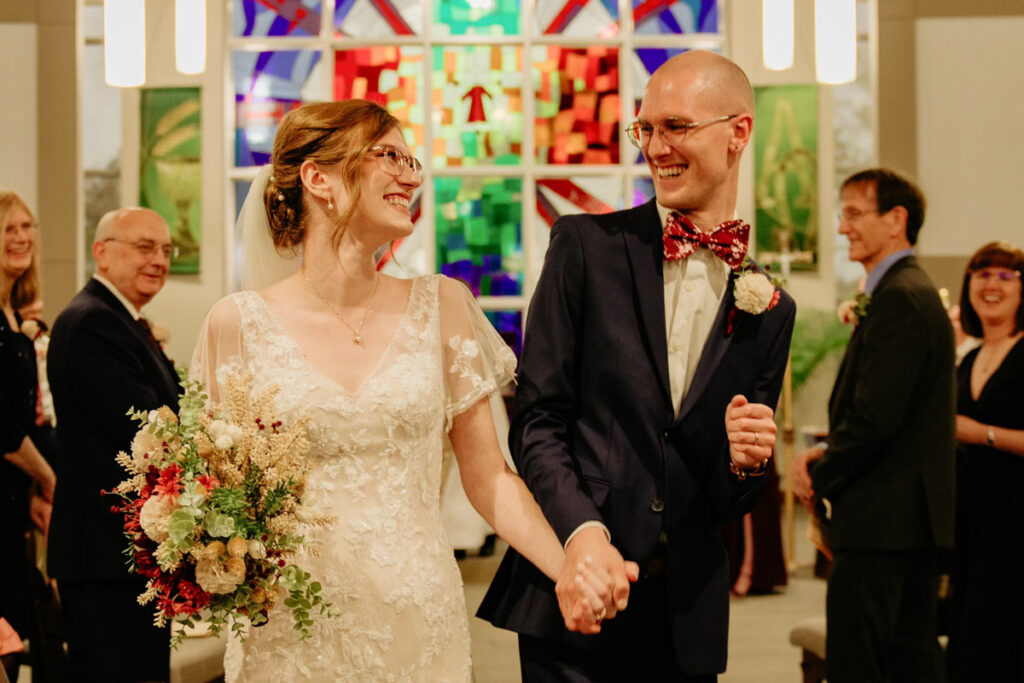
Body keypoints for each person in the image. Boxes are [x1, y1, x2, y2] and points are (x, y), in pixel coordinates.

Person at [190, 99, 616, 682]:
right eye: (389, 156)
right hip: (289, 628)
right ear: (319, 178)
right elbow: (211, 489)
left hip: (417, 618)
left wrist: (567, 564)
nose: (412, 175)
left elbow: (489, 476)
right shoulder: (236, 324)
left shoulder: (442, 306)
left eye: (411, 159)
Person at [478, 50, 796, 682]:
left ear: (739, 132)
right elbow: (538, 423)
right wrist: (581, 534)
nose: (655, 147)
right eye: (644, 128)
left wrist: (744, 460)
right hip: (572, 594)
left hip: (687, 619)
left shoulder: (770, 306)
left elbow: (731, 496)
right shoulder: (584, 248)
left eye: (676, 126)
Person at [794, 168, 955, 683]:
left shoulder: (901, 298)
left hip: (885, 522)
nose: (843, 228)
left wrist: (820, 474)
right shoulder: (902, 290)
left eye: (854, 214)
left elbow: (874, 420)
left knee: (862, 662)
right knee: (910, 658)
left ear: (897, 219)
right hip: (902, 521)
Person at [47, 207, 179, 682]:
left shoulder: (121, 319)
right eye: (145, 247)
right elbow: (148, 430)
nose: (159, 260)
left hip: (122, 554)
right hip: (104, 555)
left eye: (166, 250)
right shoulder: (92, 324)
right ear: (102, 252)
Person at [945, 241, 1024, 682]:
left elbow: (973, 431)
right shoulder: (969, 358)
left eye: (1005, 275)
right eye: (982, 274)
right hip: (974, 523)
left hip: (1017, 521)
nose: (992, 285)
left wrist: (983, 435)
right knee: (972, 640)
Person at [1, 191, 57, 683]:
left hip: (14, 499)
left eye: (27, 227)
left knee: (17, 628)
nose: (20, 237)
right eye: (8, 229)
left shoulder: (16, 316)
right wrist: (48, 478)